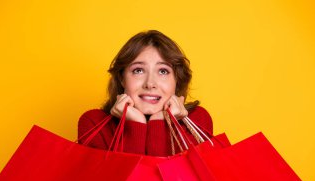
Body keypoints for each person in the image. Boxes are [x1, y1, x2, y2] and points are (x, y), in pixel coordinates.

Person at [78, 30, 213, 156]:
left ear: (177, 80)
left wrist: (159, 121)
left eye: (163, 71)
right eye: (138, 70)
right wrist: (136, 124)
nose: (150, 83)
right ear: (122, 78)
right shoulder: (94, 125)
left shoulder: (199, 120)